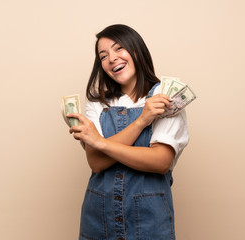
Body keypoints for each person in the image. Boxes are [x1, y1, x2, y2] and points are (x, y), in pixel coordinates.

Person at [67, 24, 189, 240]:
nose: (111, 58)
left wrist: (101, 142)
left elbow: (160, 161)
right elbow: (96, 162)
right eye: (103, 56)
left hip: (150, 221)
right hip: (98, 219)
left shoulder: (166, 96)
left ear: (136, 50)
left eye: (118, 48)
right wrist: (142, 120)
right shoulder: (97, 103)